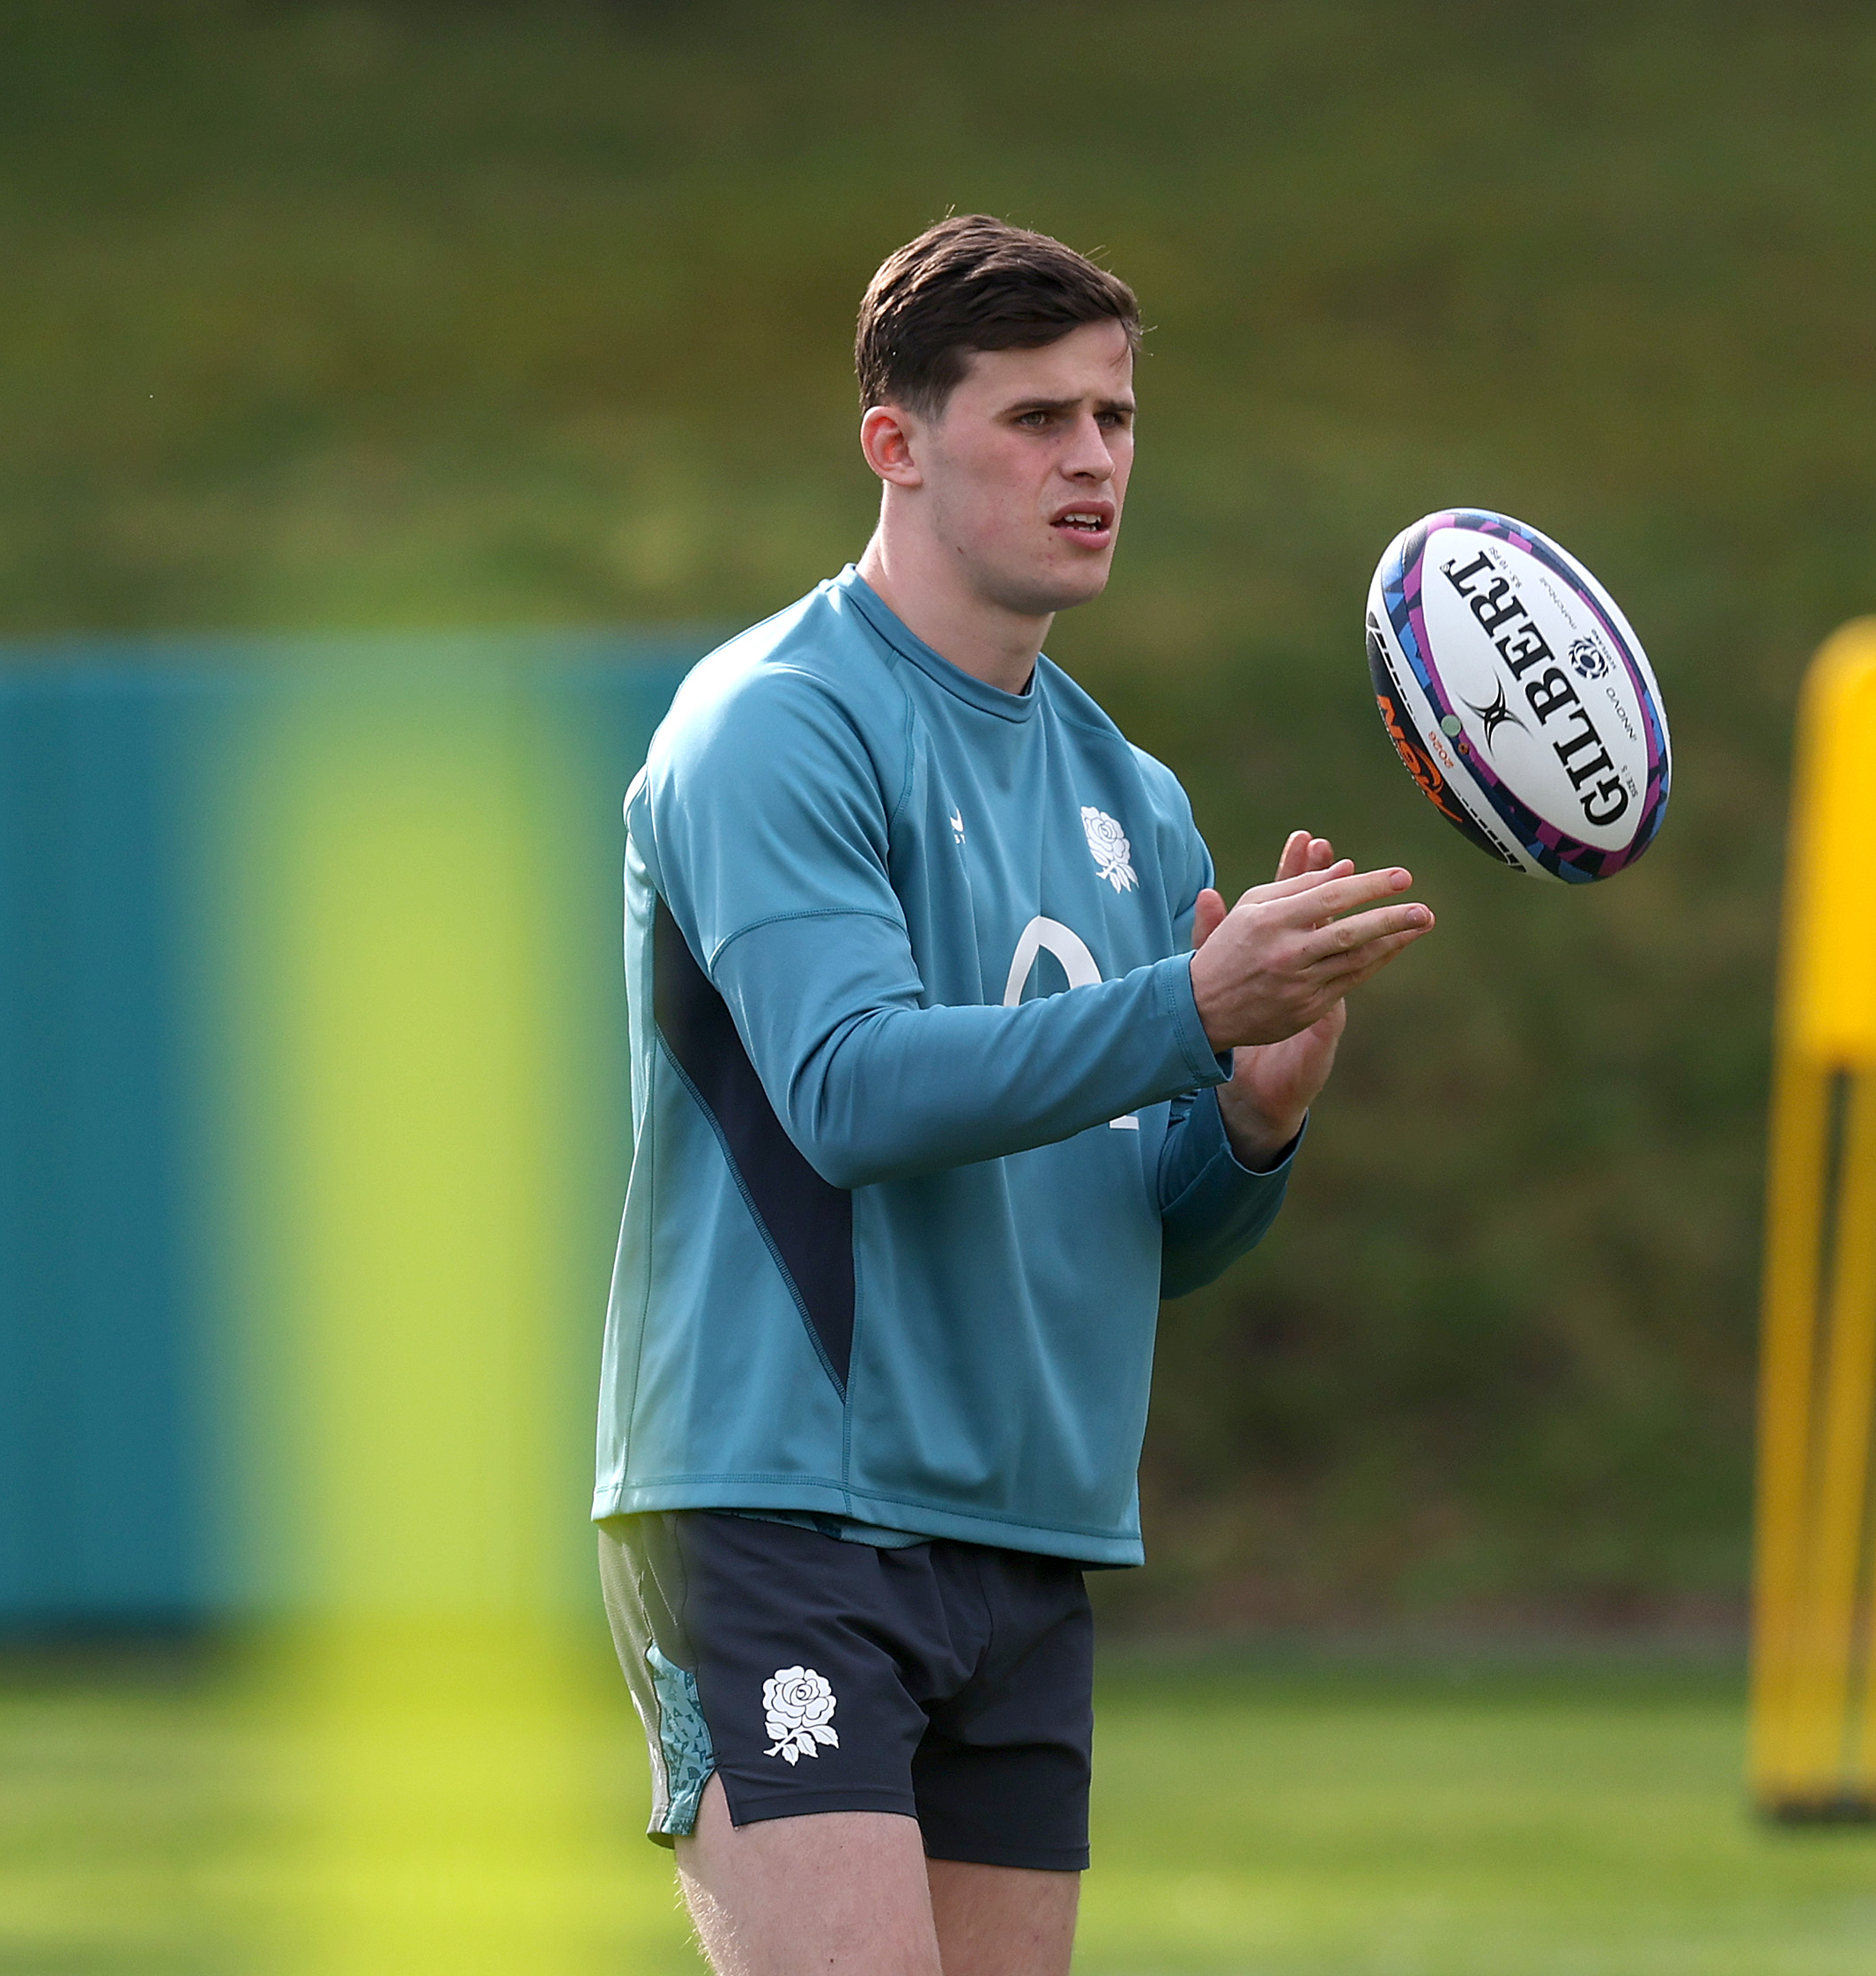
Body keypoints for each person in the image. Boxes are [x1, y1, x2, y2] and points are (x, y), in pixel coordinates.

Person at [593, 215, 1435, 1976]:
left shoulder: (1134, 791)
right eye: (1037, 419)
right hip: (784, 1515)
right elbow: (844, 1092)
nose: (1094, 461)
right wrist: (1181, 1009)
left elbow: (1143, 1232)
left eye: (1116, 419)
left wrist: (1251, 1119)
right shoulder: (778, 722)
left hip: (1022, 1540)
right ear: (896, 444)